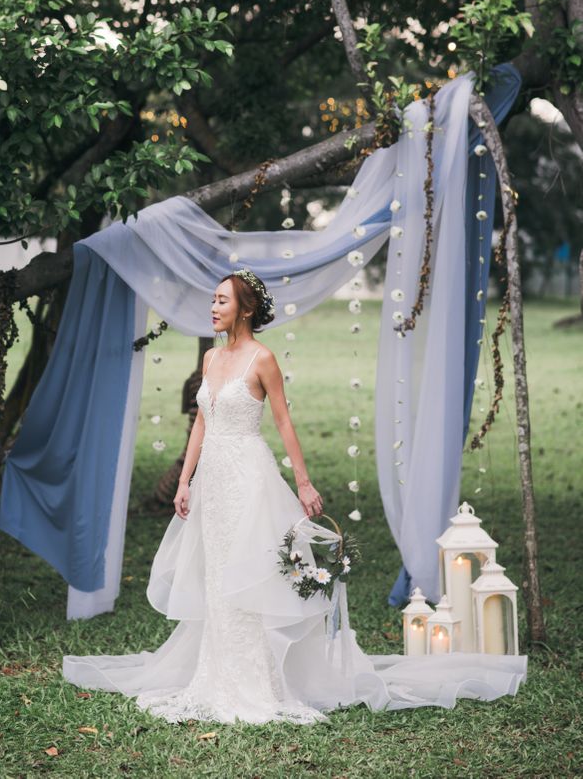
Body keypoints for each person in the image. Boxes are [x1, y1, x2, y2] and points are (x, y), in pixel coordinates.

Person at [63, 270, 527, 724]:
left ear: (246, 309)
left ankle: (255, 680)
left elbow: (283, 422)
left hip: (248, 476)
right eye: (213, 300)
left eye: (222, 301)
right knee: (217, 572)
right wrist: (185, 480)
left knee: (249, 572)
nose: (213, 308)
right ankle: (217, 673)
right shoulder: (210, 361)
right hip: (213, 483)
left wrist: (303, 483)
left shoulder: (261, 359)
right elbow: (202, 423)